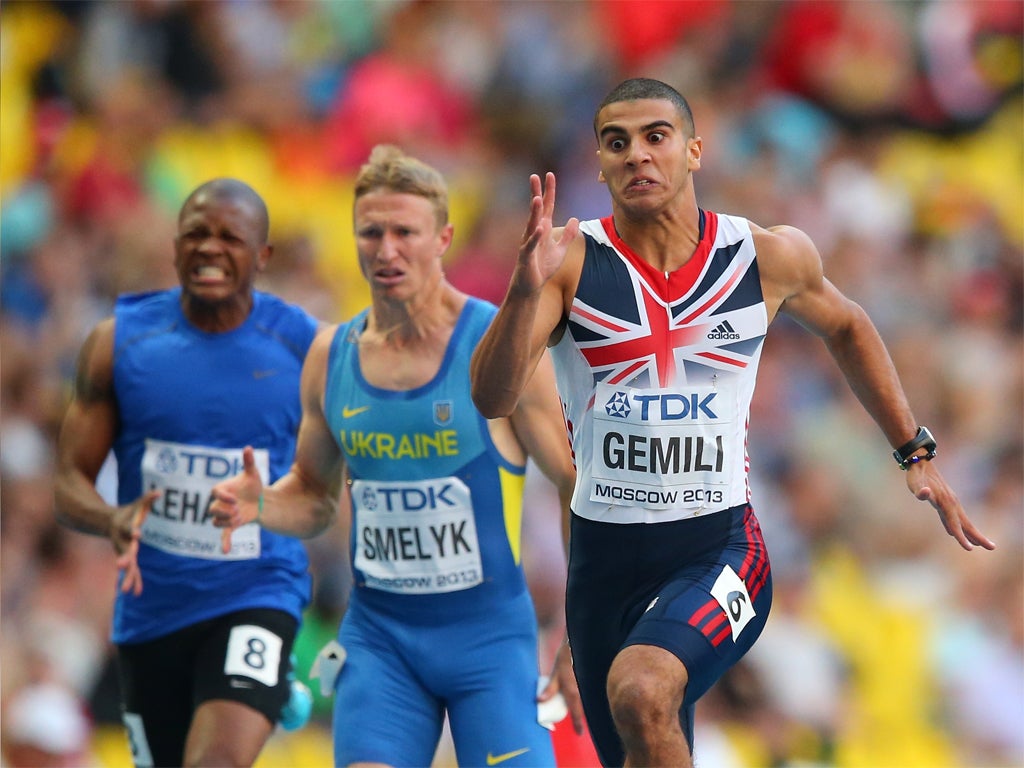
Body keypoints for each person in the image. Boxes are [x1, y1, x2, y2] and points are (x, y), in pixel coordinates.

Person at [469, 77, 997, 768]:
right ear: (597, 164)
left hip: (717, 549)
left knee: (642, 690)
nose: (637, 156)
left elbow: (848, 325)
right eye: (616, 143)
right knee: (639, 740)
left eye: (656, 137)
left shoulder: (763, 257)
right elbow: (492, 396)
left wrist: (913, 451)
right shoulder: (568, 264)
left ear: (693, 151)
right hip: (602, 565)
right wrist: (520, 292)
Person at [209, 144, 581, 768]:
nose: (386, 250)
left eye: (405, 232)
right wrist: (262, 503)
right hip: (382, 640)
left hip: (489, 642)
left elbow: (578, 485)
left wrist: (579, 627)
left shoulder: (496, 345)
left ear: (443, 238)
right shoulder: (332, 356)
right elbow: (313, 495)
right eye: (370, 232)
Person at [53, 178, 320, 767]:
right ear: (175, 247)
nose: (210, 248)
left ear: (264, 255)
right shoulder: (116, 344)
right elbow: (68, 480)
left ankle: (268, 672)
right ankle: (272, 687)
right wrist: (110, 516)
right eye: (196, 233)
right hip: (152, 612)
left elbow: (332, 477)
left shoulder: (305, 347)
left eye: (231, 236)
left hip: (258, 592)